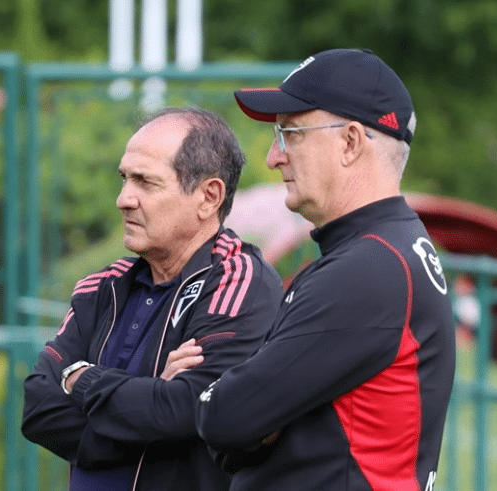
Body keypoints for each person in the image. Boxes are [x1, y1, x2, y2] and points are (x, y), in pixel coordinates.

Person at [195, 48, 456, 491]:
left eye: (291, 133)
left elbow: (225, 418)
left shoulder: (369, 269)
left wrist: (210, 393)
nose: (275, 157)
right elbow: (243, 429)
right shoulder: (384, 248)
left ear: (351, 142)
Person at [21, 107, 284, 491]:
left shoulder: (241, 280)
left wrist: (81, 378)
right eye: (125, 179)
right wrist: (151, 400)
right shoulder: (101, 287)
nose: (123, 199)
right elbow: (38, 410)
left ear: (209, 197)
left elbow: (188, 408)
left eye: (145, 182)